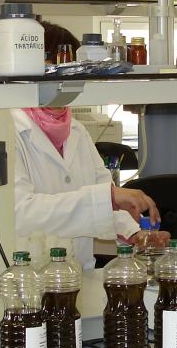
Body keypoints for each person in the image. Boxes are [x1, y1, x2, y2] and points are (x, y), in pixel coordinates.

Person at [13, 107, 167, 269]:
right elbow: (21, 213)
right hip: (34, 278)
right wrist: (109, 197)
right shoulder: (9, 130)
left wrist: (135, 234)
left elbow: (105, 202)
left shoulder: (77, 130)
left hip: (81, 272)